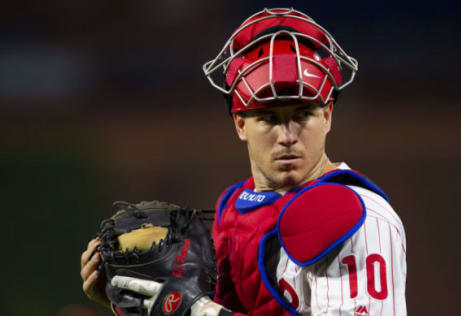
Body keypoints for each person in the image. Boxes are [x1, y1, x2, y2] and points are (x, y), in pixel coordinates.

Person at [81, 8, 407, 316]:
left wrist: (198, 311)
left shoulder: (357, 216)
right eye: (268, 118)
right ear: (240, 124)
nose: (287, 135)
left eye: (303, 114)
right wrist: (133, 300)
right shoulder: (237, 209)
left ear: (327, 115)